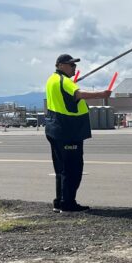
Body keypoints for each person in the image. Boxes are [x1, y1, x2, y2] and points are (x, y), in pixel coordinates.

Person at [44, 54, 111, 213]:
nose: (74, 68)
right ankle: (68, 203)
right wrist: (101, 94)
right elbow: (78, 94)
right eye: (71, 65)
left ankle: (59, 202)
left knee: (61, 169)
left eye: (74, 65)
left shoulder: (51, 80)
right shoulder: (65, 81)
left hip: (55, 127)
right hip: (68, 129)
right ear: (60, 65)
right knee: (73, 168)